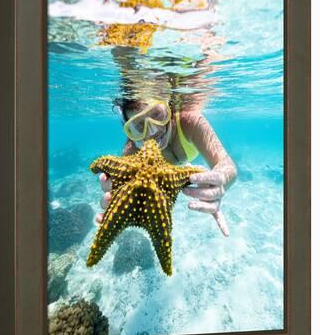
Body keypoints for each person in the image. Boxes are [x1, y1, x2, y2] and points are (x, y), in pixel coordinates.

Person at [96, 98, 237, 237]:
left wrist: (221, 179)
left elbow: (226, 164)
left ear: (169, 108)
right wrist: (122, 204)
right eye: (139, 125)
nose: (152, 130)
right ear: (131, 131)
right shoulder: (132, 152)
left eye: (157, 114)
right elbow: (125, 194)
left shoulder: (189, 121)